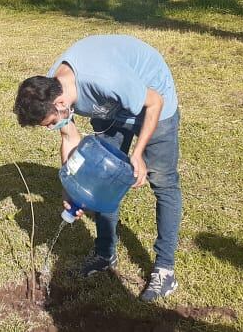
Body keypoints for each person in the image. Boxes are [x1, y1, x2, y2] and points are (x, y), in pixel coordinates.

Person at [13, 34, 182, 302]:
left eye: (48, 123)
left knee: (163, 183)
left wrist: (138, 154)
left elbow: (154, 103)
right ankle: (105, 253)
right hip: (112, 108)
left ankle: (165, 270)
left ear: (61, 105)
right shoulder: (49, 90)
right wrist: (71, 187)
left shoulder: (105, 79)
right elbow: (69, 137)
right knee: (101, 179)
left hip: (153, 97)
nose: (49, 127)